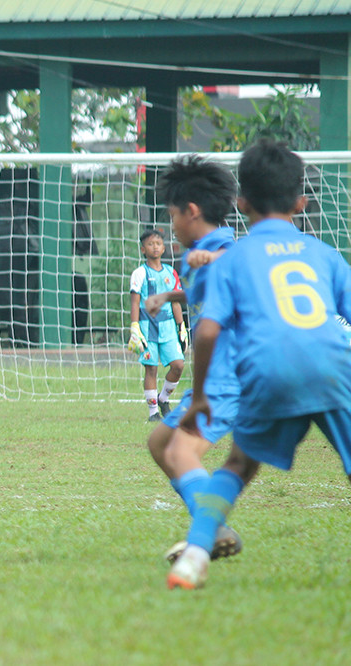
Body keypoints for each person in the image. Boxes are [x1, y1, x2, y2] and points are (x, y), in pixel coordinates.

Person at [167, 139, 351, 590]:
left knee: (237, 466)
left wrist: (202, 396)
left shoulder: (237, 258)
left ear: (242, 202)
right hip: (332, 366)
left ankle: (193, 557)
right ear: (302, 202)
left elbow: (207, 331)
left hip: (268, 370)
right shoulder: (325, 254)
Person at [143, 156, 242, 564]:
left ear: (192, 212)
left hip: (229, 375)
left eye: (172, 217)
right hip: (219, 374)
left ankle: (210, 530)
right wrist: (169, 296)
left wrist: (212, 261)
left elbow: (239, 262)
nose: (170, 228)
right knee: (159, 442)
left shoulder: (222, 245)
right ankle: (212, 524)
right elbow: (203, 289)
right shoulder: (194, 255)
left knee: (181, 452)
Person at [128, 228, 188, 421]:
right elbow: (135, 301)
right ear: (143, 249)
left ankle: (164, 399)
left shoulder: (171, 272)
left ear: (164, 248)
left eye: (158, 244)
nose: (155, 247)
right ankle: (153, 413)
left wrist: (181, 326)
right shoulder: (139, 273)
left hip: (168, 326)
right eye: (150, 244)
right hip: (147, 327)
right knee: (151, 368)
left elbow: (175, 301)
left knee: (178, 365)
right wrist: (134, 326)